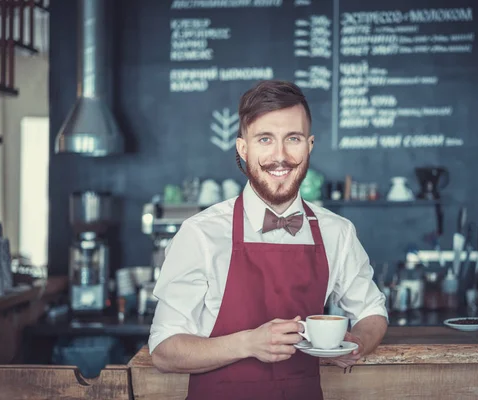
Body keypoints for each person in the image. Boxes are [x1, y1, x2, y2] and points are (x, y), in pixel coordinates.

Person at [149, 80, 388, 400]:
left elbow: (372, 311)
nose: (280, 156)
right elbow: (165, 351)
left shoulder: (337, 231)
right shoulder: (201, 233)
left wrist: (356, 343)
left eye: (293, 139)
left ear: (310, 145)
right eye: (265, 139)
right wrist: (248, 344)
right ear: (243, 148)